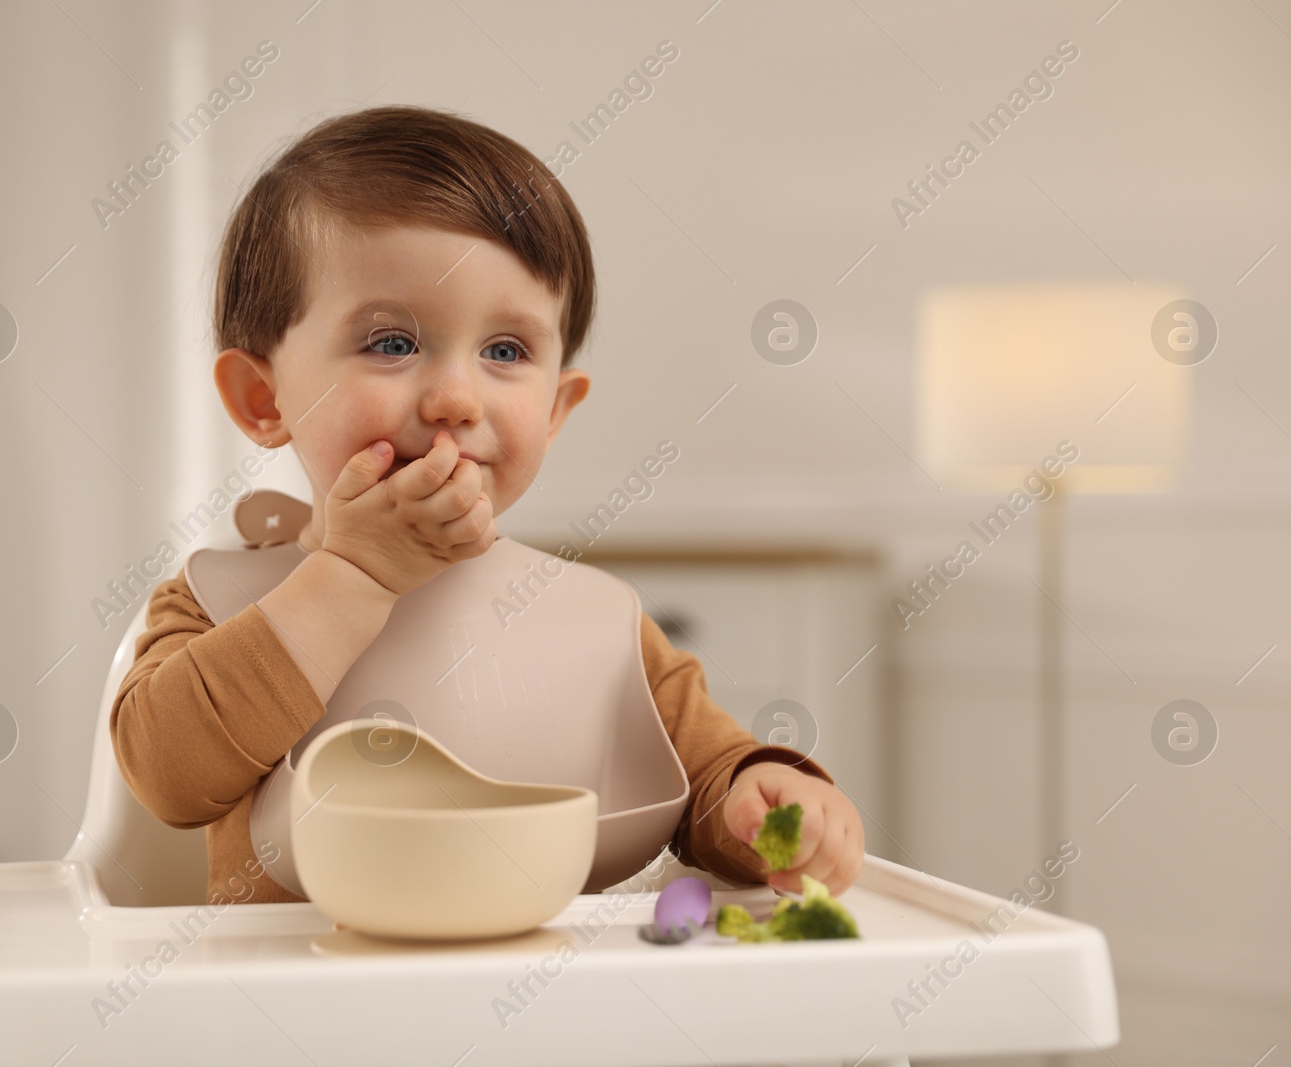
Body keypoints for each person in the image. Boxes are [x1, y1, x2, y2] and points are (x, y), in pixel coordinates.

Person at [111, 105, 864, 905]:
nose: (454, 397)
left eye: (506, 351)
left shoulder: (597, 621)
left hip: (548, 1021)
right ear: (264, 397)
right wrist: (352, 575)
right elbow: (168, 775)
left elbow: (703, 773)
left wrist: (765, 795)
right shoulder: (217, 604)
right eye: (391, 342)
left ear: (555, 409)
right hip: (292, 1014)